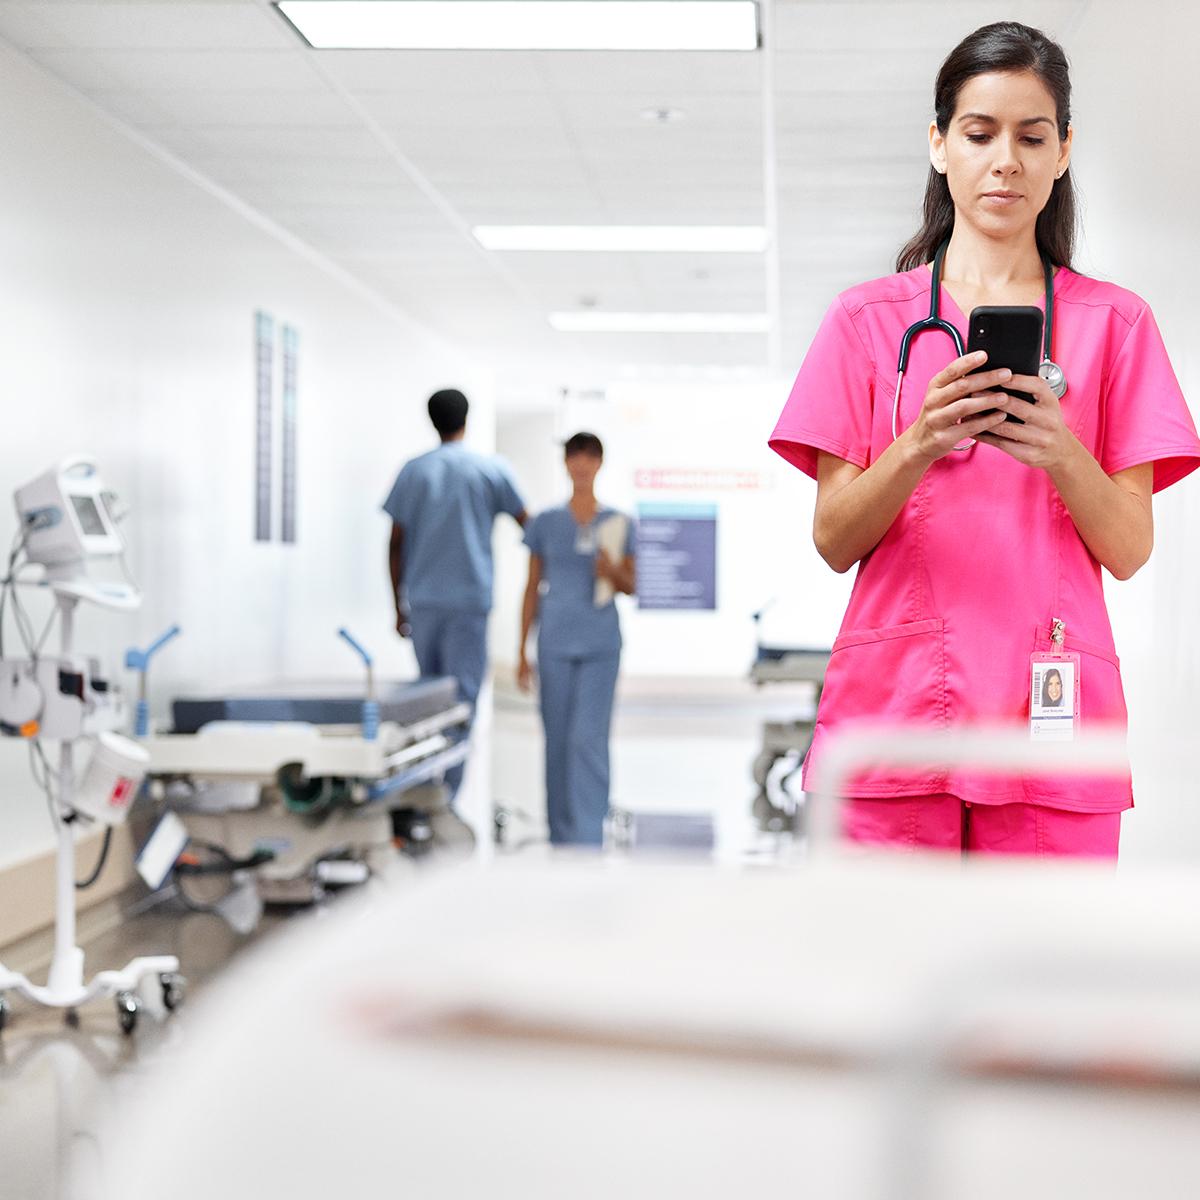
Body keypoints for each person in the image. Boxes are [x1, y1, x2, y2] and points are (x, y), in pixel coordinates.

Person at [768, 22, 1200, 859]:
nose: (1006, 160)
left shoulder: (1117, 326)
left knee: (1045, 986)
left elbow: (1130, 547)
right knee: (884, 981)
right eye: (979, 133)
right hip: (896, 721)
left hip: (1050, 719)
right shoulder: (865, 322)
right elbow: (833, 538)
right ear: (939, 145)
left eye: (1032, 136)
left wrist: (1059, 447)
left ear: (1064, 150)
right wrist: (920, 440)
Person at [384, 388, 527, 806]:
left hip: (424, 603)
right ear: (468, 419)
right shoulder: (488, 470)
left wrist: (397, 604)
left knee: (428, 702)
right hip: (467, 604)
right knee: (463, 703)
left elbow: (394, 544)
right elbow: (530, 526)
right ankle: (447, 798)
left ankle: (429, 791)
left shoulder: (413, 472)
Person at [517, 433, 636, 846]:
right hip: (554, 644)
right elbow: (531, 587)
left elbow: (633, 584)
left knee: (589, 737)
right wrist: (521, 652)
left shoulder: (619, 522)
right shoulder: (545, 522)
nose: (582, 464)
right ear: (566, 464)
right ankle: (561, 833)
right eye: (575, 457)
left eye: (590, 457)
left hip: (601, 645)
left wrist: (611, 570)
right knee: (558, 739)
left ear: (600, 463)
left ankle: (589, 833)